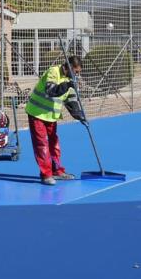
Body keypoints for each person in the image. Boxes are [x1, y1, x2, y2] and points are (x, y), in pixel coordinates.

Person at [25, 56, 87, 186]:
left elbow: (71, 101)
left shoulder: (70, 79)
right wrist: (68, 85)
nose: (77, 74)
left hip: (51, 116)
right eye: (76, 71)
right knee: (42, 145)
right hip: (37, 113)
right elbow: (51, 91)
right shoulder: (53, 72)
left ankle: (57, 170)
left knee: (54, 144)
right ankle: (46, 175)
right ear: (69, 67)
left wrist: (79, 115)